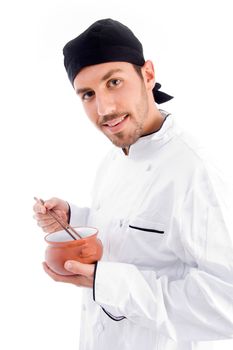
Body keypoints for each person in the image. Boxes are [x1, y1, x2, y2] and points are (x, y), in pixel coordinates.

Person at [33, 18, 233, 350]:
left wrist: (105, 282)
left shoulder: (194, 172)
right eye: (88, 94)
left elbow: (227, 303)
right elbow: (130, 233)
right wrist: (75, 220)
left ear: (148, 74)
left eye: (114, 81)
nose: (104, 108)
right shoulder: (113, 159)